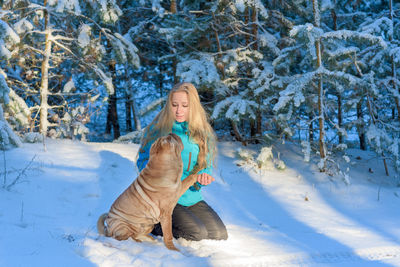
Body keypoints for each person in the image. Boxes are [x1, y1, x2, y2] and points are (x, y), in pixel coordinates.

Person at [136, 82, 228, 241]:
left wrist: (203, 176)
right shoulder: (158, 129)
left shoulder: (201, 133)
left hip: (190, 196)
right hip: (164, 199)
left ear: (193, 106)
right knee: (196, 233)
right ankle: (154, 225)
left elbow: (206, 164)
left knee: (218, 234)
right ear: (168, 105)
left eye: (184, 105)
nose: (179, 110)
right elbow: (143, 160)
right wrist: (155, 172)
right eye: (174, 105)